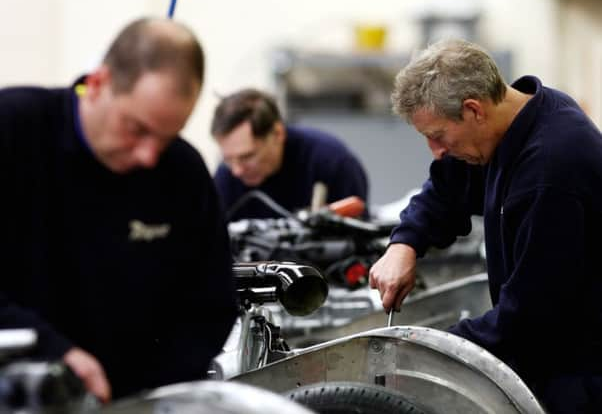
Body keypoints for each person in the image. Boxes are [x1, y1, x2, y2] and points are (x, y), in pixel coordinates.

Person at [0, 18, 238, 403]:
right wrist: (54, 354)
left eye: (166, 137)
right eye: (137, 129)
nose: (149, 156)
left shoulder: (182, 173)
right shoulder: (13, 130)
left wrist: (144, 397)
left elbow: (210, 306)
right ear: (97, 84)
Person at [369, 39, 602, 413]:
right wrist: (404, 244)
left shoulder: (551, 171)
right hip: (549, 360)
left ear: (473, 109)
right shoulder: (515, 123)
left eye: (438, 136)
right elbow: (446, 190)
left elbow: (527, 322)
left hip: (579, 382)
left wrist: (419, 350)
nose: (436, 151)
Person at [211, 88, 369, 221]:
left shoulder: (331, 163)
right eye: (228, 159)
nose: (237, 171)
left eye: (247, 157)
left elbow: (360, 243)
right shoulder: (226, 177)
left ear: (278, 134)